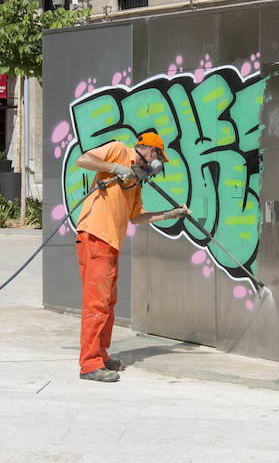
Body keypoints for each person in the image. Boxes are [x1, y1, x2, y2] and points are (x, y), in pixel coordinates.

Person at [72, 131, 189, 382]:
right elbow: (82, 160)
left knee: (108, 304)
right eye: (158, 155)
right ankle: (89, 364)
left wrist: (171, 214)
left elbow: (137, 217)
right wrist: (115, 168)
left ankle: (101, 355)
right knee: (96, 304)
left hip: (111, 243)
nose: (158, 163)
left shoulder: (136, 180)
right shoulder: (119, 150)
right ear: (150, 150)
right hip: (95, 236)